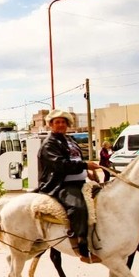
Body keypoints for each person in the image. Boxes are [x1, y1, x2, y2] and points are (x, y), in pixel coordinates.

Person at [37, 109, 101, 263]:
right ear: (51, 124)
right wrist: (85, 165)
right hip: (61, 185)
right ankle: (82, 247)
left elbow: (76, 159)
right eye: (57, 122)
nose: (61, 125)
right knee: (78, 207)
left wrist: (87, 172)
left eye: (63, 122)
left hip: (81, 182)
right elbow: (60, 165)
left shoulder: (70, 140)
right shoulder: (49, 144)